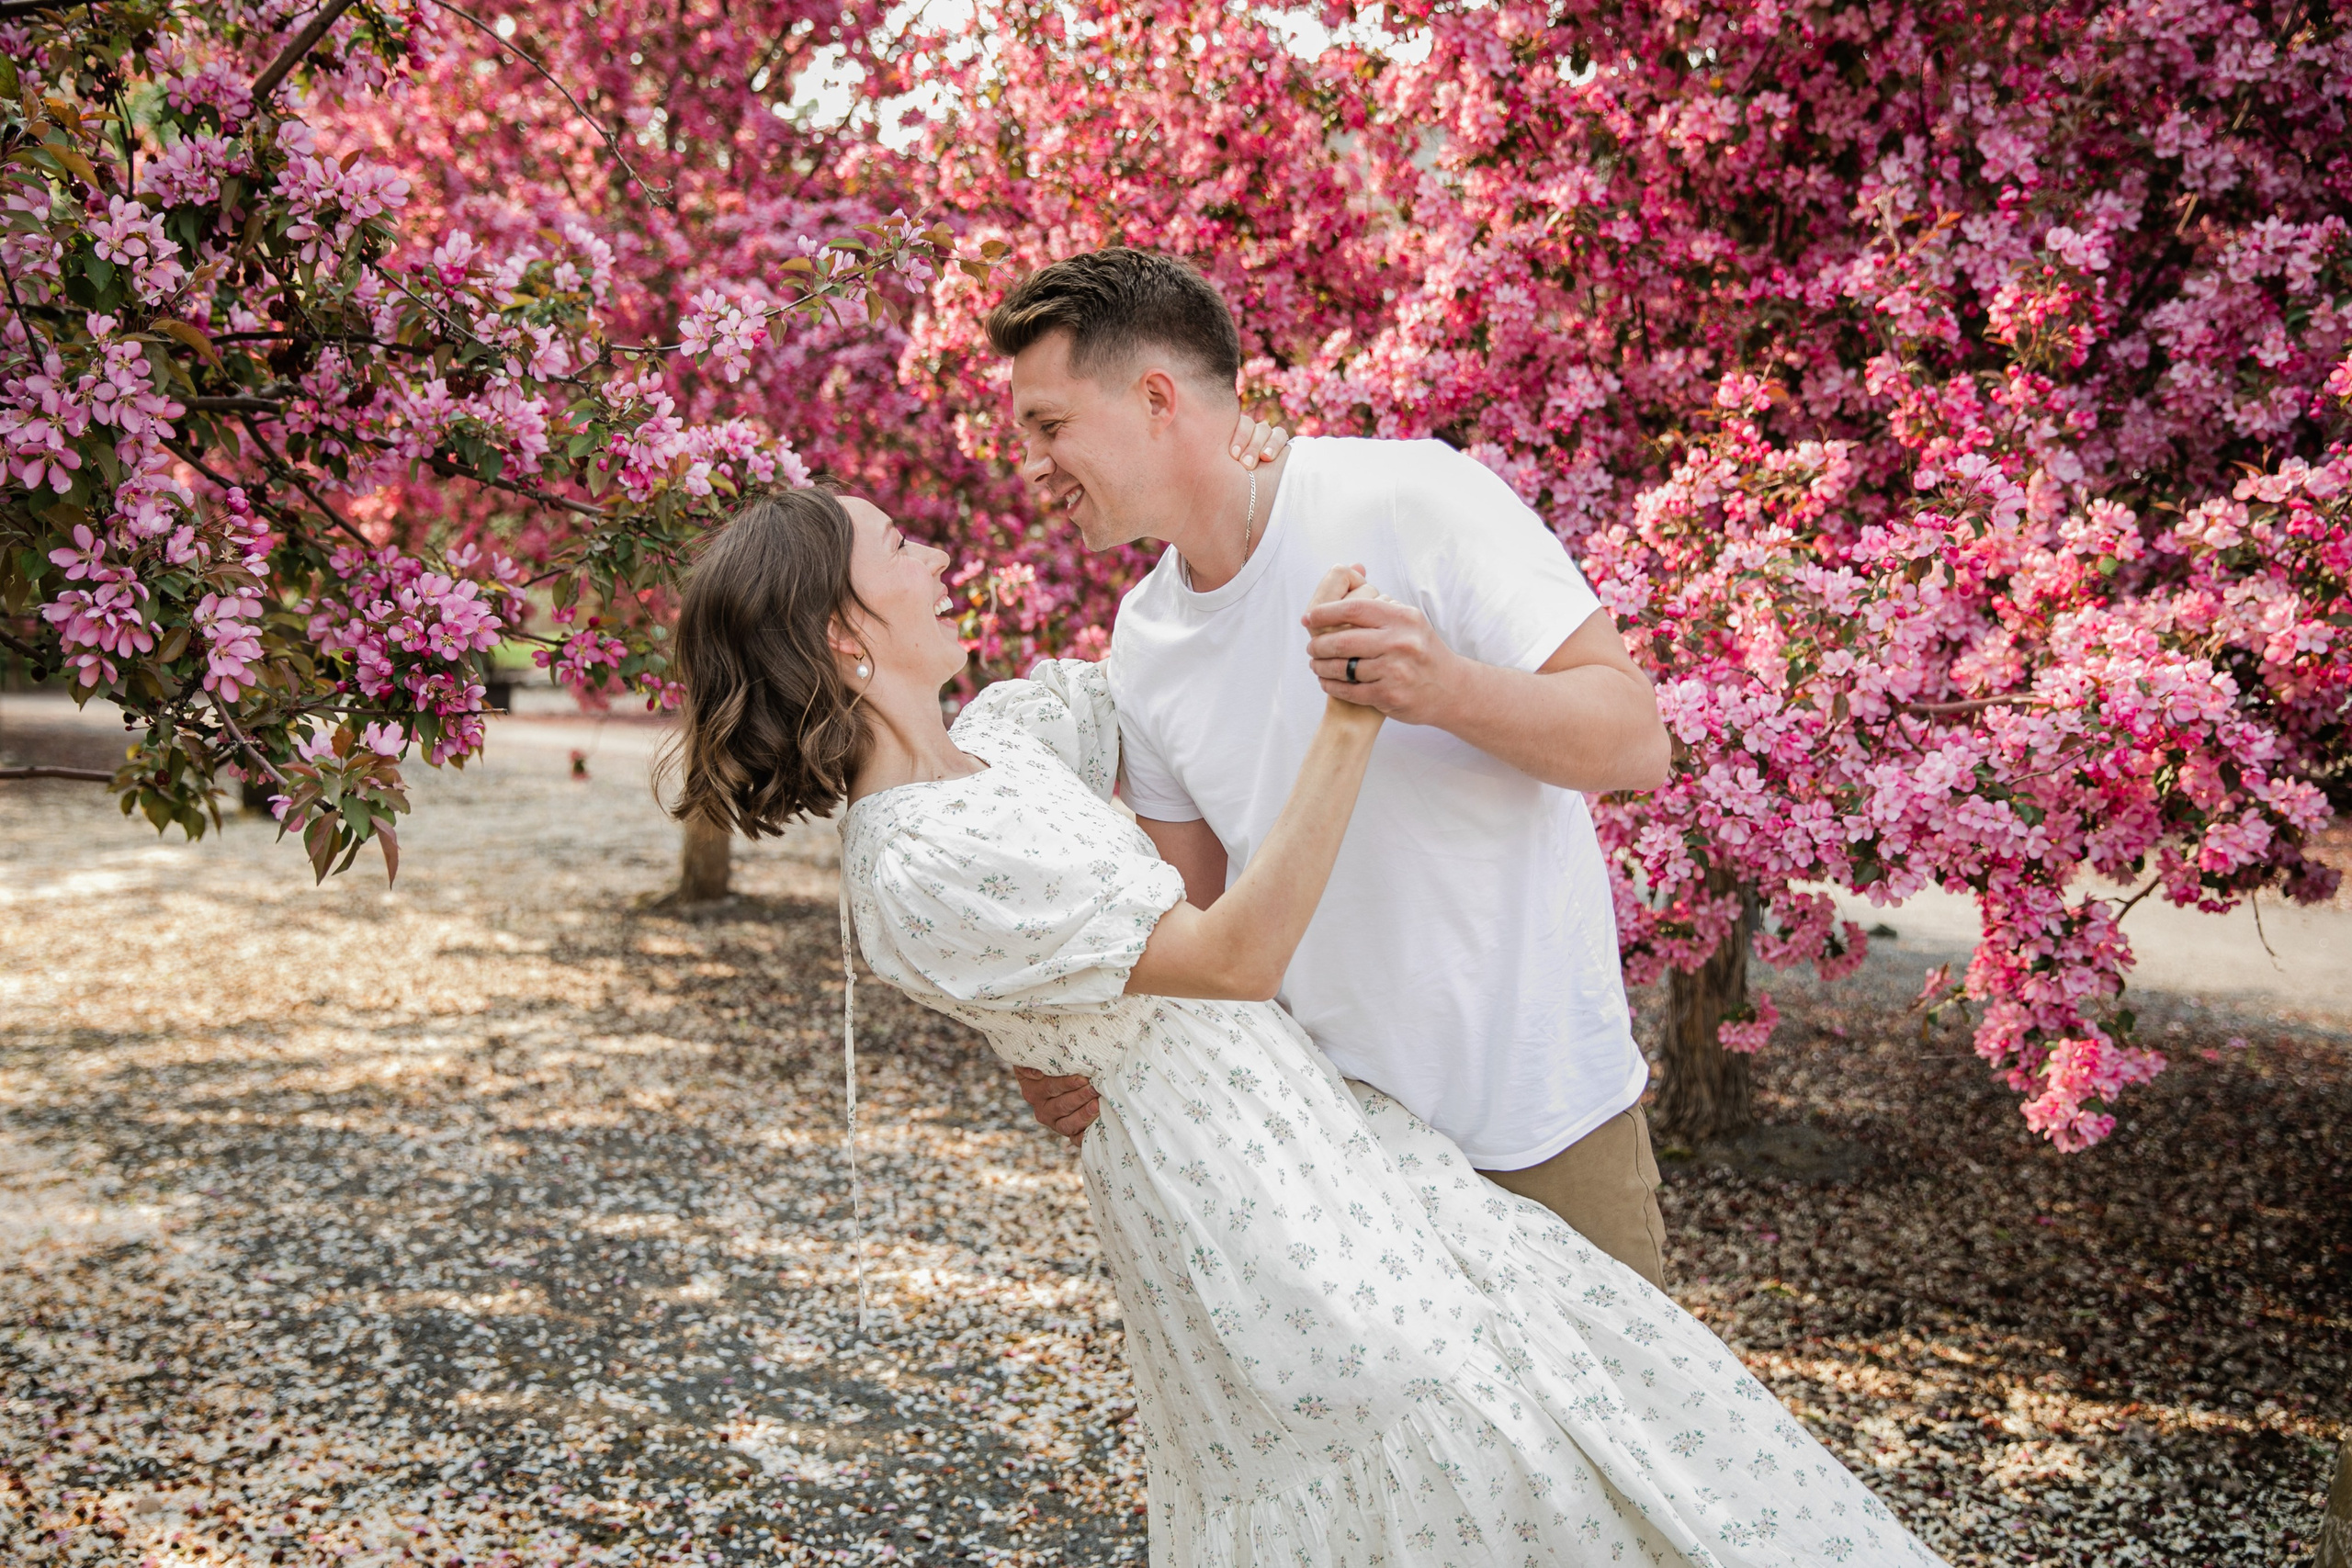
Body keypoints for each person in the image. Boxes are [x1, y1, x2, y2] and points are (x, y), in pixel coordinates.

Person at [663, 484, 1947, 1566]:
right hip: (1230, 1200)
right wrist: (1350, 720)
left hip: (1318, 1133)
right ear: (843, 634)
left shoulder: (1006, 739)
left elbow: (1169, 666)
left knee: (1549, 1417)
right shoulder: (912, 855)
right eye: (899, 546)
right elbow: (1233, 956)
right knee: (1441, 1430)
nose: (938, 555)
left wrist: (1271, 509)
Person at [989, 249, 1680, 1287]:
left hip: (1544, 1124)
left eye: (1048, 426)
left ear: (1157, 399)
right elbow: (1195, 931)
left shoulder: (1407, 496)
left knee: (1631, 1404)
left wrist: (1443, 687)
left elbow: (1635, 741)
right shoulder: (1144, 641)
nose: (1033, 466)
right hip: (1337, 1163)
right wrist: (1070, 1049)